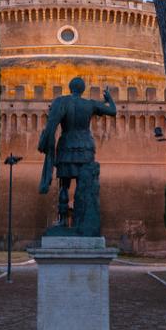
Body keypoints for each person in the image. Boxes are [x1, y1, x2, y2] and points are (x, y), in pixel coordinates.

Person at [38, 77, 116, 230]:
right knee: (84, 185)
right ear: (82, 89)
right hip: (86, 147)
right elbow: (113, 111)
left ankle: (62, 220)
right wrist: (109, 99)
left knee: (64, 185)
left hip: (67, 146)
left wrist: (45, 143)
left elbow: (51, 125)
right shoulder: (89, 104)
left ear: (70, 87)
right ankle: (82, 221)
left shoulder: (62, 102)